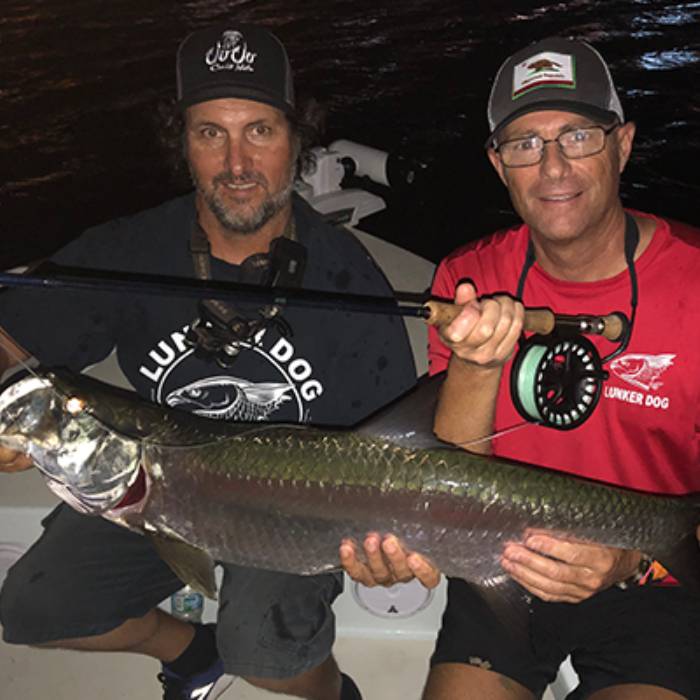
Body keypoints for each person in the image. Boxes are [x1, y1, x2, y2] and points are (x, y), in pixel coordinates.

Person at [0, 23, 418, 700]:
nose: (237, 164)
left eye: (260, 131)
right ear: (183, 145)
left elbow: (393, 459)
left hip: (292, 508)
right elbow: (12, 342)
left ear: (296, 141)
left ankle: (332, 693)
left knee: (263, 650)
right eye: (209, 133)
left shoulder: (352, 284)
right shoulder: (128, 251)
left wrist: (385, 545)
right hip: (148, 484)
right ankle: (191, 651)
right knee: (32, 609)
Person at [344, 36, 700, 700]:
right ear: (498, 164)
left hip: (654, 578)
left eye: (577, 136)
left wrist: (630, 559)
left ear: (622, 145)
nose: (554, 167)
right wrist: (477, 369)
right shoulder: (466, 279)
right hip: (495, 562)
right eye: (525, 145)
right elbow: (446, 466)